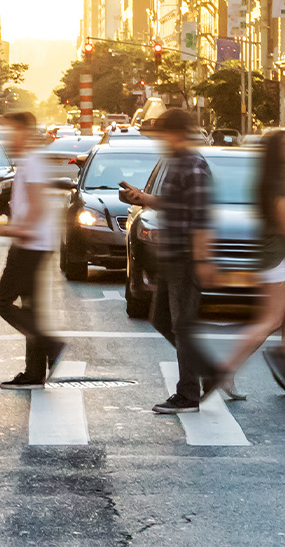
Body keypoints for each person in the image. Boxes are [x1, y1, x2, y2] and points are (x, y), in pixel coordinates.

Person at [113, 108, 217, 414]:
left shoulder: (194, 164)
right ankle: (208, 371)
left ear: (176, 133)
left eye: (163, 134)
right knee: (160, 319)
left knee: (183, 326)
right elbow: (176, 203)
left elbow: (201, 216)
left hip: (186, 257)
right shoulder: (176, 162)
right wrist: (143, 197)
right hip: (172, 256)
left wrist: (202, 260)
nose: (160, 140)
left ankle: (188, 395)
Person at [214, 130, 285, 399]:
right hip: (280, 259)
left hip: (281, 258)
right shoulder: (279, 186)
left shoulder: (272, 180)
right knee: (271, 321)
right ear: (280, 153)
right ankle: (224, 371)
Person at [0, 112, 65, 390]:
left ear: (24, 131)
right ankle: (34, 372)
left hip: (29, 244)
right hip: (33, 243)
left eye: (11, 131)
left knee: (2, 302)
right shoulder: (29, 161)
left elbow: (37, 206)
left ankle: (51, 344)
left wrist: (10, 231)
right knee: (31, 310)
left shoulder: (32, 161)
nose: (7, 137)